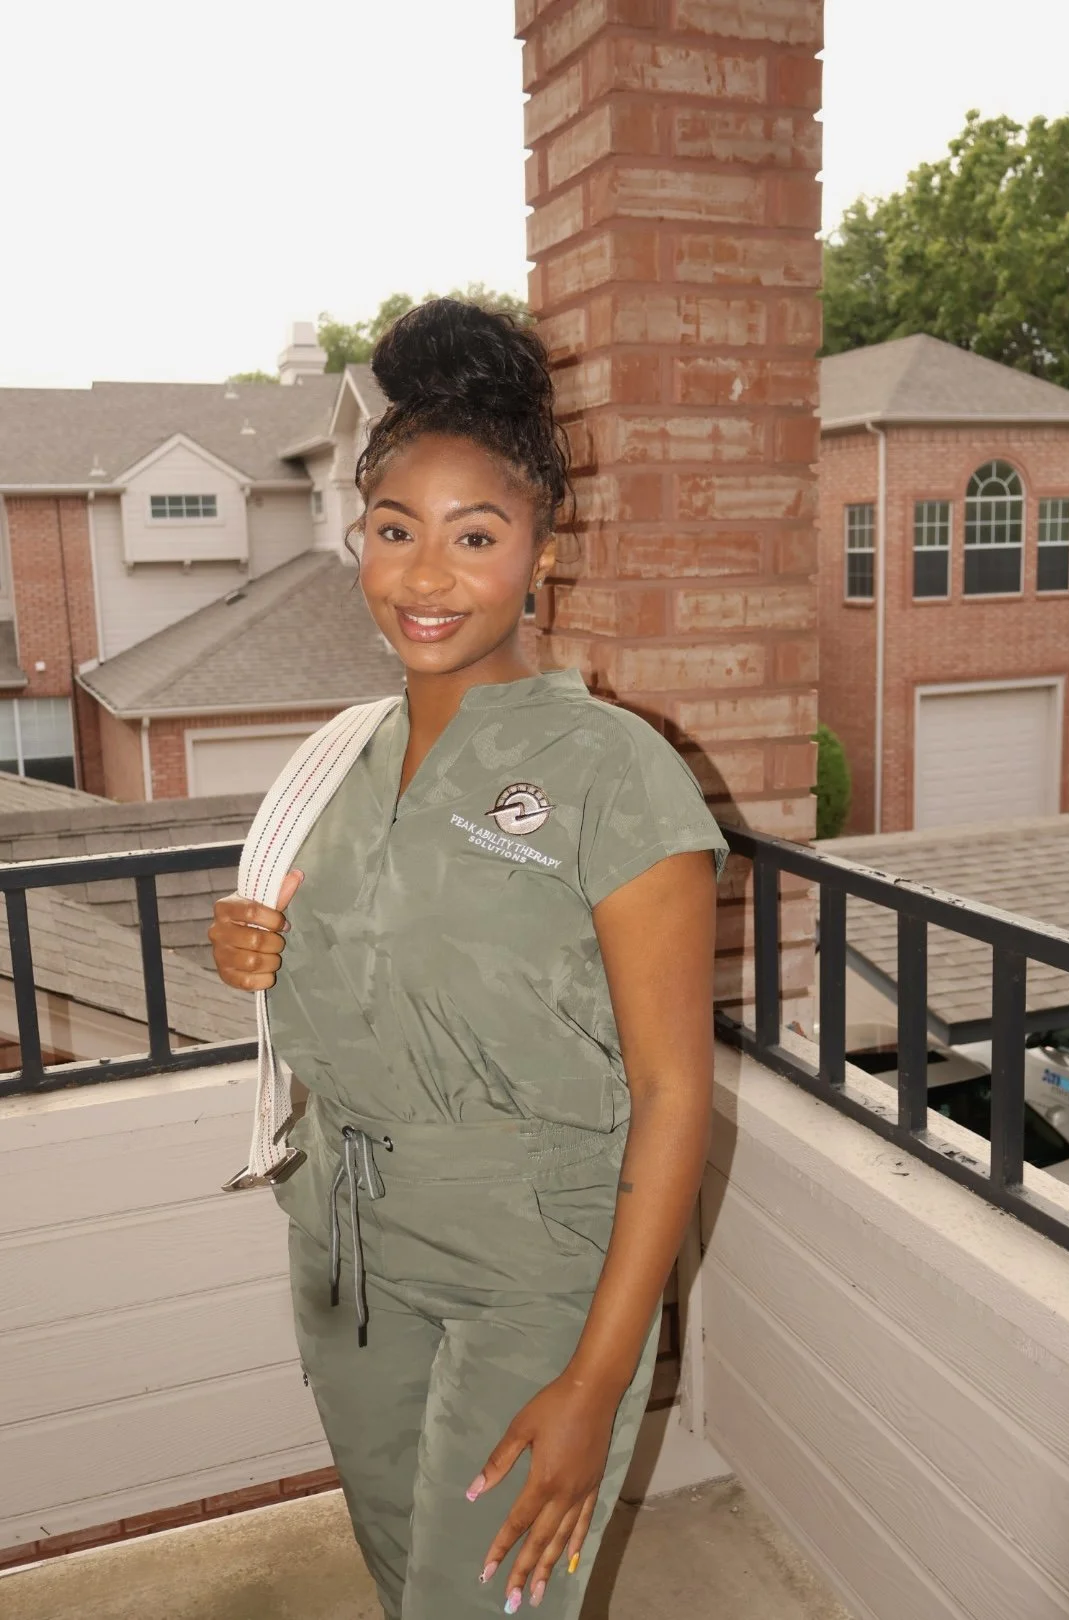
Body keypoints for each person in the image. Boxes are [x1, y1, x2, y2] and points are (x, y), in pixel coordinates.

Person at [209, 298, 726, 1620]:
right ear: (358, 541)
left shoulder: (618, 777)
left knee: (481, 1602)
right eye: (395, 532)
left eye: (474, 537)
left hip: (531, 1269)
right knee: (409, 1582)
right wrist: (251, 946)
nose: (425, 578)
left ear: (544, 553)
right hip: (348, 1253)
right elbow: (350, 972)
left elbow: (673, 1100)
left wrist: (597, 1382)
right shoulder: (338, 762)